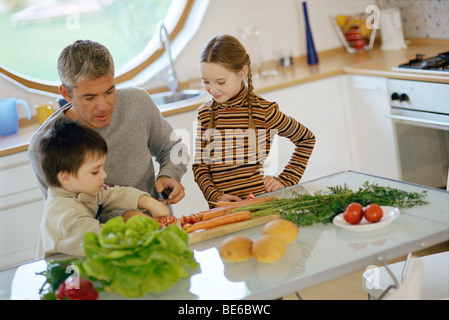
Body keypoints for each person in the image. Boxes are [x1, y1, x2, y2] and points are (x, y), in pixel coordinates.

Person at [28, 40, 188, 214]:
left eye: (109, 91)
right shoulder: (43, 146)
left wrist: (169, 174)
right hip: (102, 238)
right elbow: (63, 215)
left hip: (162, 226)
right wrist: (124, 218)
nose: (104, 106)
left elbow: (174, 148)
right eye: (89, 98)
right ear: (66, 93)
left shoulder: (138, 102)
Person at [192, 35, 316, 204]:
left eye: (220, 82)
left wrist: (285, 181)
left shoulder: (263, 111)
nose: (213, 89)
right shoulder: (205, 114)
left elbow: (306, 139)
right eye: (206, 82)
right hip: (221, 211)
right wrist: (214, 195)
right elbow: (200, 165)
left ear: (242, 72)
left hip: (260, 207)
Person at [36, 118, 170, 258]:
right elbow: (103, 240)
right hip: (65, 276)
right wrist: (138, 227)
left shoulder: (78, 189)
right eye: (95, 171)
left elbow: (114, 193)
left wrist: (147, 202)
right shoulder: (64, 216)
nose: (104, 175)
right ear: (66, 178)